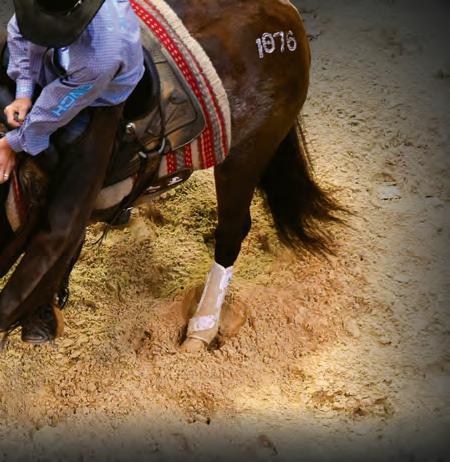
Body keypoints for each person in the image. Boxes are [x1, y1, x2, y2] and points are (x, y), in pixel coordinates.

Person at [0, 0, 145, 344]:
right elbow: (19, 32)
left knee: (66, 217)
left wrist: (12, 143)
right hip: (55, 69)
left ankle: (21, 308)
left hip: (98, 99)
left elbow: (58, 107)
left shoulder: (102, 55)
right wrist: (23, 90)